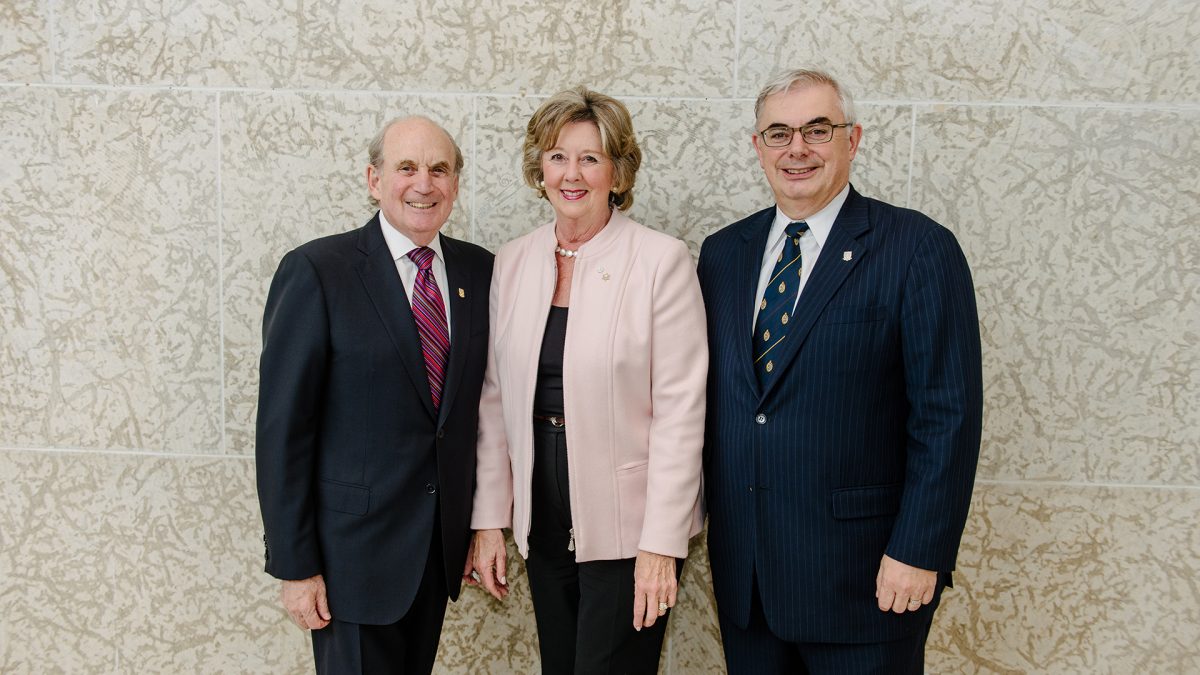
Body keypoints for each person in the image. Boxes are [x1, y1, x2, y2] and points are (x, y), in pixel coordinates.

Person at [697, 68, 983, 674]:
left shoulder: (917, 248)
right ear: (757, 147)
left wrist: (919, 550)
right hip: (750, 582)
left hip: (868, 583)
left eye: (817, 129)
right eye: (778, 133)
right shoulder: (723, 254)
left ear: (852, 140)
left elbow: (947, 416)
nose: (796, 148)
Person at [467, 87, 707, 674]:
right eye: (557, 157)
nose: (571, 174)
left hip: (630, 531)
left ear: (618, 171)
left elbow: (682, 410)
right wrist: (489, 520)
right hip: (542, 521)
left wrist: (662, 543)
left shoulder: (661, 260)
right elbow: (493, 402)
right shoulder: (513, 260)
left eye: (590, 158)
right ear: (539, 169)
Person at [255, 116, 494, 674]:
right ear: (373, 179)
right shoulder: (317, 271)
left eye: (440, 169)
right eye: (406, 167)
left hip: (435, 558)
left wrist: (479, 525)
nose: (424, 183)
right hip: (348, 563)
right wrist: (297, 567)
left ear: (456, 183)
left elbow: (480, 411)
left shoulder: (478, 271)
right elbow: (283, 432)